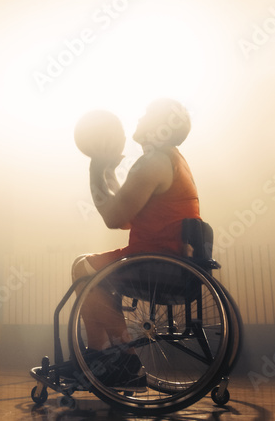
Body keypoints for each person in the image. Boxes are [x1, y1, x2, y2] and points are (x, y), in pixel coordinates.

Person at [71, 98, 201, 388]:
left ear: (161, 126)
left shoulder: (152, 162)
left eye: (147, 115)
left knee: (83, 270)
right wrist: (109, 174)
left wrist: (95, 171)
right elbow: (130, 216)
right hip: (167, 261)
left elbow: (112, 217)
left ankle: (121, 359)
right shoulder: (170, 159)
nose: (140, 118)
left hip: (155, 261)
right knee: (85, 267)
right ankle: (99, 357)